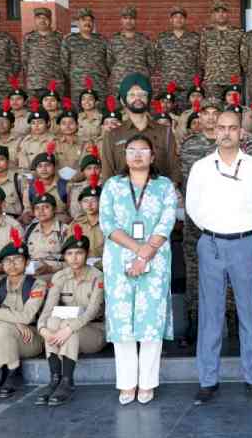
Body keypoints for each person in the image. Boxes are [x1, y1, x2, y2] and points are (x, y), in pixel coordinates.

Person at [186, 111, 252, 405]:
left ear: (241, 133)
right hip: (210, 242)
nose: (226, 133)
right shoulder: (201, 167)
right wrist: (215, 230)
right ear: (214, 131)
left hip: (245, 242)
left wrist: (244, 232)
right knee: (211, 315)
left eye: (232, 128)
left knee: (249, 312)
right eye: (221, 128)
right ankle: (208, 380)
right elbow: (192, 207)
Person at [99, 134, 177, 405]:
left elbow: (167, 221)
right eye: (131, 150)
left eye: (143, 150)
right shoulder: (112, 186)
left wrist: (146, 253)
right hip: (120, 260)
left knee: (150, 321)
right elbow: (107, 223)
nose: (137, 155)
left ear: (153, 156)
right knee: (122, 322)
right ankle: (126, 383)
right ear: (125, 156)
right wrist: (136, 249)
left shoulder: (164, 186)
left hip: (154, 260)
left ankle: (147, 383)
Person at [35, 225, 105, 406]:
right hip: (64, 330)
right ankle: (55, 379)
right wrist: (42, 328)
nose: (74, 258)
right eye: (70, 254)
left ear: (87, 254)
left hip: (94, 331)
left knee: (68, 329)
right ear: (64, 257)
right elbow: (48, 308)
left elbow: (91, 312)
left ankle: (67, 382)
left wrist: (68, 328)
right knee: (51, 321)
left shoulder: (97, 277)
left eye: (79, 253)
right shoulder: (59, 277)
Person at [179, 98, 222, 347]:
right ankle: (193, 324)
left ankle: (229, 325)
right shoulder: (189, 145)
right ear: (200, 117)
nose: (211, 118)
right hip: (196, 220)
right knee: (194, 273)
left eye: (216, 113)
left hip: (225, 220)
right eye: (206, 113)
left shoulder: (230, 144)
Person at [0, 229, 46, 398]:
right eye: (7, 261)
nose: (12, 264)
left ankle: (11, 372)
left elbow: (26, 316)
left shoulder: (37, 284)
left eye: (17, 260)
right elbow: (18, 318)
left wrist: (15, 321)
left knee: (2, 328)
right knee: (0, 327)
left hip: (30, 337)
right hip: (10, 336)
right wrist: (15, 322)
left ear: (27, 261)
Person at [101, 73, 179, 183]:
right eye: (132, 95)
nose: (137, 98)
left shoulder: (165, 132)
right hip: (123, 197)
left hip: (158, 196)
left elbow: (174, 172)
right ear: (123, 101)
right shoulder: (113, 135)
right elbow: (107, 175)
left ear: (149, 99)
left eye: (142, 94)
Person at [154, 6, 200, 111]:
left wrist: (197, 80)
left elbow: (200, 60)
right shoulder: (163, 38)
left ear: (185, 20)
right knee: (167, 114)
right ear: (171, 20)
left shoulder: (194, 38)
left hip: (188, 86)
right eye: (175, 17)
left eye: (181, 17)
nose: (178, 20)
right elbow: (157, 59)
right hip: (169, 85)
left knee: (188, 115)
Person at [200, 1, 244, 100]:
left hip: (232, 78)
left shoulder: (238, 32)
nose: (221, 14)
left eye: (224, 12)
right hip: (212, 79)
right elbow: (202, 55)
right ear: (213, 15)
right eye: (217, 12)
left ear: (228, 14)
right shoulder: (206, 32)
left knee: (233, 107)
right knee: (213, 107)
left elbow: (243, 56)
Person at [61, 8, 109, 102]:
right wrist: (76, 76)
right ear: (78, 22)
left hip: (99, 85)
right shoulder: (69, 40)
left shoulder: (102, 40)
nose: (87, 22)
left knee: (99, 112)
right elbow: (64, 64)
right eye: (83, 20)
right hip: (78, 86)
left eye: (90, 20)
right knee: (79, 113)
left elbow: (109, 62)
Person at [107, 6, 154, 95]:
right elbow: (109, 63)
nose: (128, 21)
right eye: (125, 18)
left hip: (140, 85)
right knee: (119, 109)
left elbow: (151, 64)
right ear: (121, 20)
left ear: (136, 20)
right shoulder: (113, 40)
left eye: (132, 18)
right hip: (119, 85)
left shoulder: (145, 40)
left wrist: (142, 74)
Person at [22, 7, 64, 97]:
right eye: (39, 18)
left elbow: (64, 60)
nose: (42, 20)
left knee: (56, 109)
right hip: (35, 83)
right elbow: (24, 60)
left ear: (50, 20)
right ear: (35, 20)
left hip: (55, 83)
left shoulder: (59, 37)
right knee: (34, 109)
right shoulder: (28, 37)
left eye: (45, 18)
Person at [0, 174, 22, 278]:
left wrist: (2, 267)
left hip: (5, 274)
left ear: (3, 204)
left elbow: (20, 256)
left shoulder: (13, 226)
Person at [0, 6, 21, 107]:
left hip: (3, 86)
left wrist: (9, 77)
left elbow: (16, 61)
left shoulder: (7, 38)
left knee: (4, 115)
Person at [0, 140, 24, 219]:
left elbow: (28, 205)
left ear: (8, 161)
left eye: (1, 159)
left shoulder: (19, 179)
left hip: (15, 221)